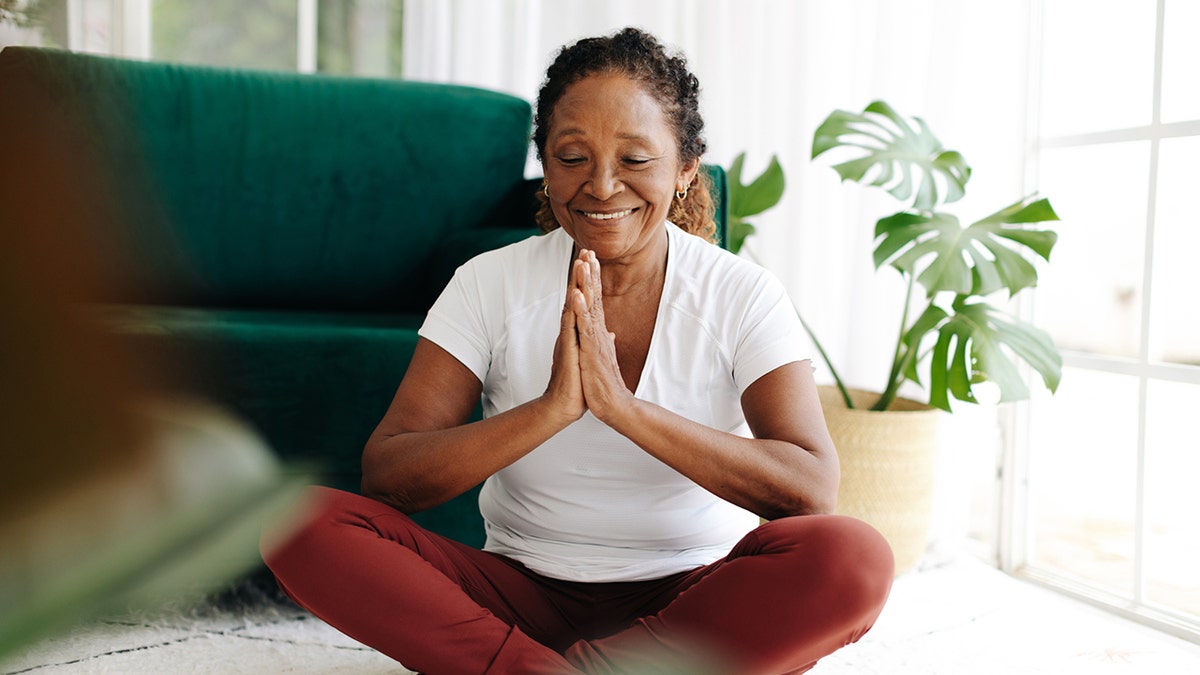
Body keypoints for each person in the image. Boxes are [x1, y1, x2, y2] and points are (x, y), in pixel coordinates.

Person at [263, 27, 893, 674]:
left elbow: (809, 489)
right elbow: (390, 475)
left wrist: (622, 409)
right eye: (572, 156)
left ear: (684, 168)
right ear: (545, 167)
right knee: (297, 521)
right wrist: (553, 409)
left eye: (635, 159)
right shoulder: (489, 281)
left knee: (855, 556)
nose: (601, 185)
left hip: (691, 602)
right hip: (516, 598)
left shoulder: (742, 295)